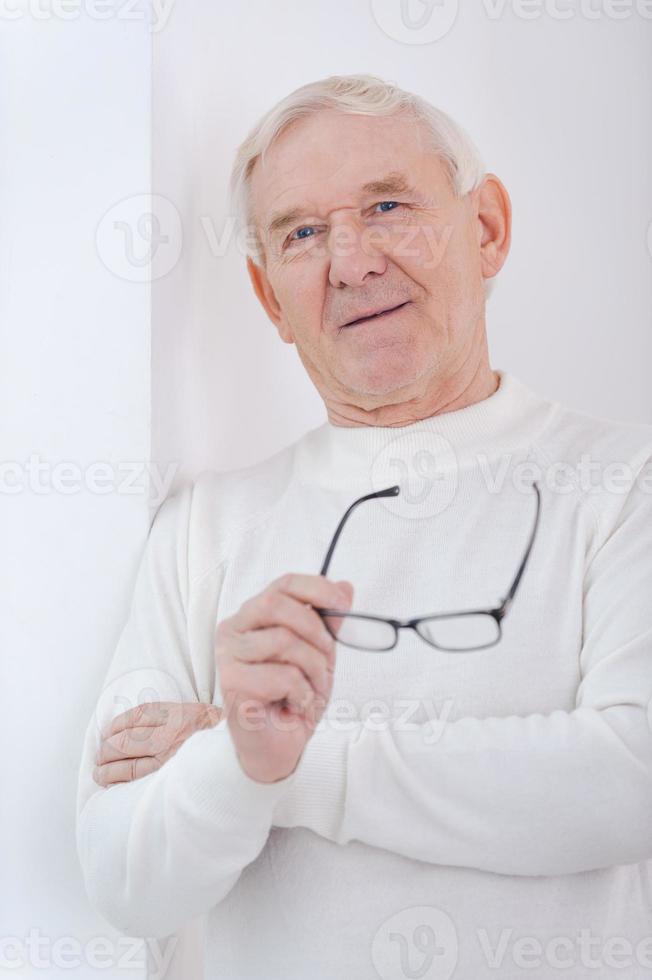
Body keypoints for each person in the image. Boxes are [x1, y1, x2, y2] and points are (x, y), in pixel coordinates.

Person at [76, 74, 652, 979]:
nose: (350, 261)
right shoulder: (204, 527)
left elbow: (630, 781)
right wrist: (237, 762)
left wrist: (271, 759)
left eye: (387, 205)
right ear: (272, 299)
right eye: (302, 233)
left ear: (487, 228)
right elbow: (123, 883)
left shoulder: (625, 483)